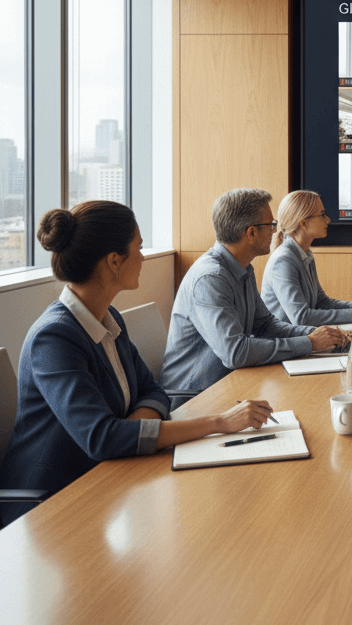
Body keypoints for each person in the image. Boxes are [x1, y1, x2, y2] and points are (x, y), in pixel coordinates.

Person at [0, 202, 274, 525]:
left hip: (108, 483)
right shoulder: (53, 339)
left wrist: (131, 431)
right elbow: (101, 438)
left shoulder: (109, 318)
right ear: (114, 261)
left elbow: (155, 391)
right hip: (48, 509)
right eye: (139, 248)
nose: (143, 257)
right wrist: (219, 423)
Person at [162, 189, 349, 404]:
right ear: (250, 233)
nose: (275, 231)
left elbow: (265, 325)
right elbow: (236, 352)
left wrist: (320, 336)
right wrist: (309, 342)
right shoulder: (210, 279)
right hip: (195, 397)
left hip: (230, 383)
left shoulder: (242, 268)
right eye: (270, 225)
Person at [261, 190, 352, 324]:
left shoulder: (305, 253)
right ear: (303, 223)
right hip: (288, 341)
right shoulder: (283, 260)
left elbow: (321, 302)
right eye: (322, 215)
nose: (328, 220)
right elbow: (301, 318)